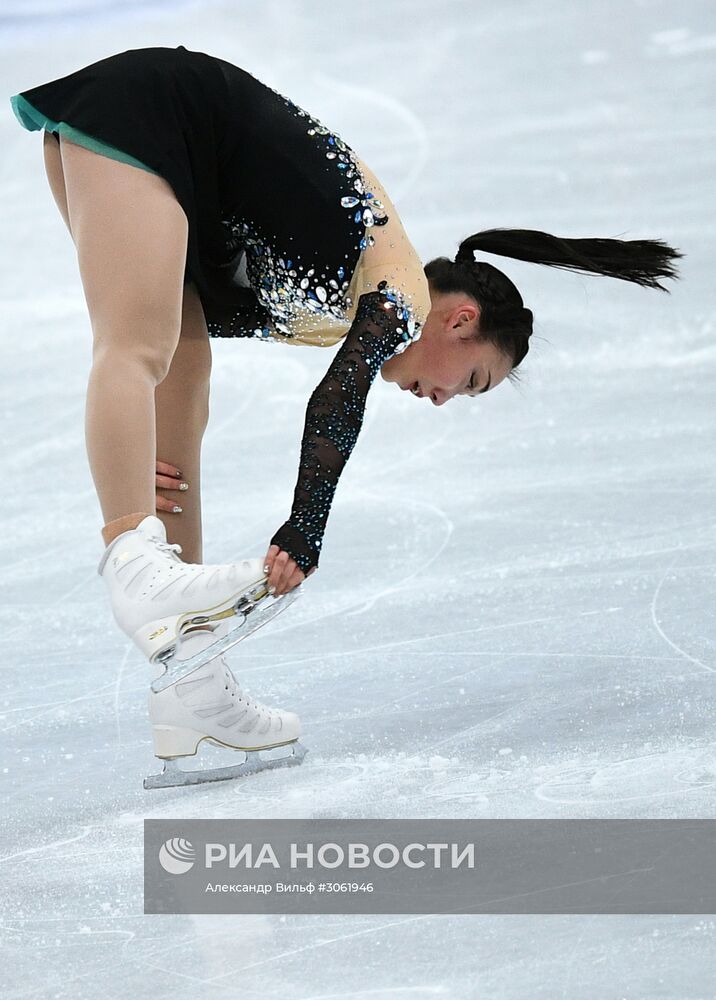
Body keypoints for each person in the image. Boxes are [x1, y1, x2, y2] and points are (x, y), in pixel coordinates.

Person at [9, 46, 681, 787]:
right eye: (474, 381)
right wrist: (306, 526)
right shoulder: (400, 293)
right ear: (459, 323)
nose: (445, 400)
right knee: (137, 347)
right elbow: (338, 398)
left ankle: (190, 680)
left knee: (180, 383)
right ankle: (133, 563)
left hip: (172, 164)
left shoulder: (361, 290)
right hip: (153, 116)